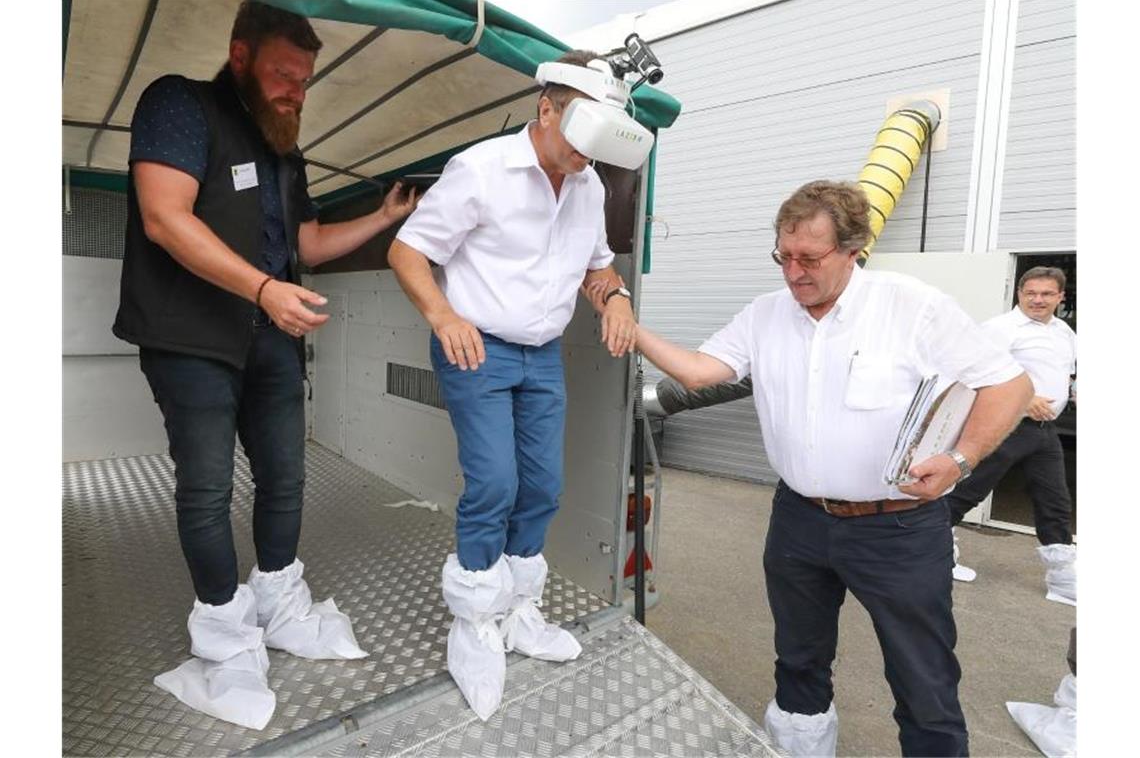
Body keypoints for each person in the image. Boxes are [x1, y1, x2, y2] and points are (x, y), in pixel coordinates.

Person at [624, 181, 1033, 756]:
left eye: (809, 258)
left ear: (852, 249)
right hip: (798, 521)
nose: (793, 273)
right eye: (783, 256)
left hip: (899, 528)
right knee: (798, 659)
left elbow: (1010, 384)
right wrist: (627, 320)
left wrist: (960, 459)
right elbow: (697, 372)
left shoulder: (912, 306)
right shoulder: (765, 315)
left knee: (923, 679)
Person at [113, 0, 418, 730]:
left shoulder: (286, 151)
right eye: (285, 74)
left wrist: (383, 216)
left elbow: (305, 246)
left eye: (306, 81)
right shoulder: (180, 104)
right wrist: (261, 287)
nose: (296, 93)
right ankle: (223, 634)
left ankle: (279, 602)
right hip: (191, 337)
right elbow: (164, 215)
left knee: (286, 474)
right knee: (208, 487)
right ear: (241, 55)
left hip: (271, 337)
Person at [387, 50, 638, 721]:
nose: (588, 155)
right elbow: (407, 250)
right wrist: (441, 315)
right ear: (546, 109)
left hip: (541, 356)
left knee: (543, 487)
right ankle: (473, 624)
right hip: (477, 348)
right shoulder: (481, 170)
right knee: (494, 484)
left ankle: (520, 610)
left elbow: (598, 266)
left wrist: (613, 298)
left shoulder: (589, 187)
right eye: (580, 133)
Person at [946, 267, 1077, 604]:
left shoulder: (1064, 332)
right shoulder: (1000, 329)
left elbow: (1065, 372)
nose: (1037, 299)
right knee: (967, 492)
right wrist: (1024, 398)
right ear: (1019, 293)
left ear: (1061, 297)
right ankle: (935, 555)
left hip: (1046, 431)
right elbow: (972, 370)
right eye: (1030, 292)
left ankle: (1062, 581)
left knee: (1055, 501)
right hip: (1006, 426)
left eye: (1047, 293)